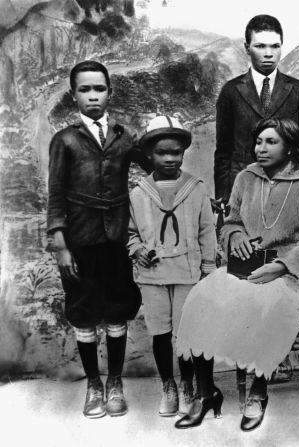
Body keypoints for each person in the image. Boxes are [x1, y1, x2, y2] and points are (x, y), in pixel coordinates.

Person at [174, 118, 299, 431]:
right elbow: (231, 222)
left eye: (271, 142)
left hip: (297, 269)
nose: (261, 148)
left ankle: (258, 393)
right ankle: (206, 394)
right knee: (202, 296)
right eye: (258, 141)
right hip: (252, 262)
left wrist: (283, 266)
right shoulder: (246, 177)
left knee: (267, 303)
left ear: (290, 147)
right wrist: (236, 237)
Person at [47, 60, 152, 418]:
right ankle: (94, 383)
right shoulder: (65, 140)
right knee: (85, 313)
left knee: (117, 310)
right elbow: (56, 195)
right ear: (73, 95)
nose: (93, 96)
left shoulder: (124, 137)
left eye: (100, 88)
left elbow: (155, 164)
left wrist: (161, 135)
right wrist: (61, 245)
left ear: (110, 92)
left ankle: (116, 382)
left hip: (118, 240)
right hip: (80, 241)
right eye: (85, 89)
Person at [127, 116, 216, 417]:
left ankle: (188, 382)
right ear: (150, 155)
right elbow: (130, 233)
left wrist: (208, 266)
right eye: (162, 152)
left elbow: (207, 229)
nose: (169, 158)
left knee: (186, 332)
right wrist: (138, 250)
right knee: (160, 333)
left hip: (188, 272)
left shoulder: (195, 188)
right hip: (153, 276)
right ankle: (169, 384)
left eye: (175, 152)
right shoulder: (139, 193)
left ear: (183, 153)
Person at [214, 14, 299, 205]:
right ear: (247, 48)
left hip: (288, 189)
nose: (268, 53)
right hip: (243, 189)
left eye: (275, 46)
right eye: (260, 46)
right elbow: (223, 152)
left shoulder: (298, 90)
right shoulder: (231, 91)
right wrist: (224, 197)